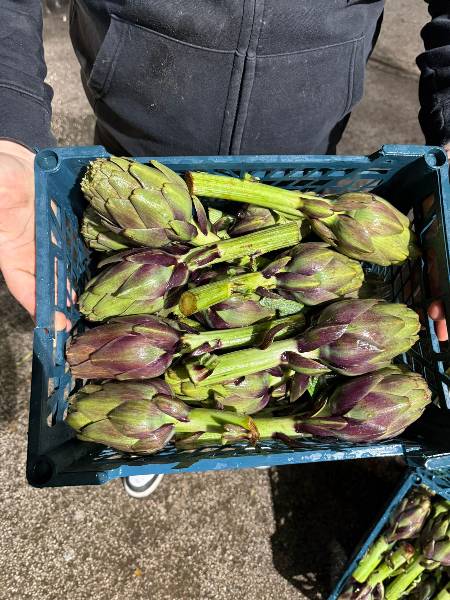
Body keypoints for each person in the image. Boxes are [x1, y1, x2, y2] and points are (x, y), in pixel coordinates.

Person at [0, 1, 448, 497]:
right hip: (144, 128)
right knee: (118, 223)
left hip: (304, 126)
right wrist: (9, 126)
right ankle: (159, 420)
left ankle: (164, 422)